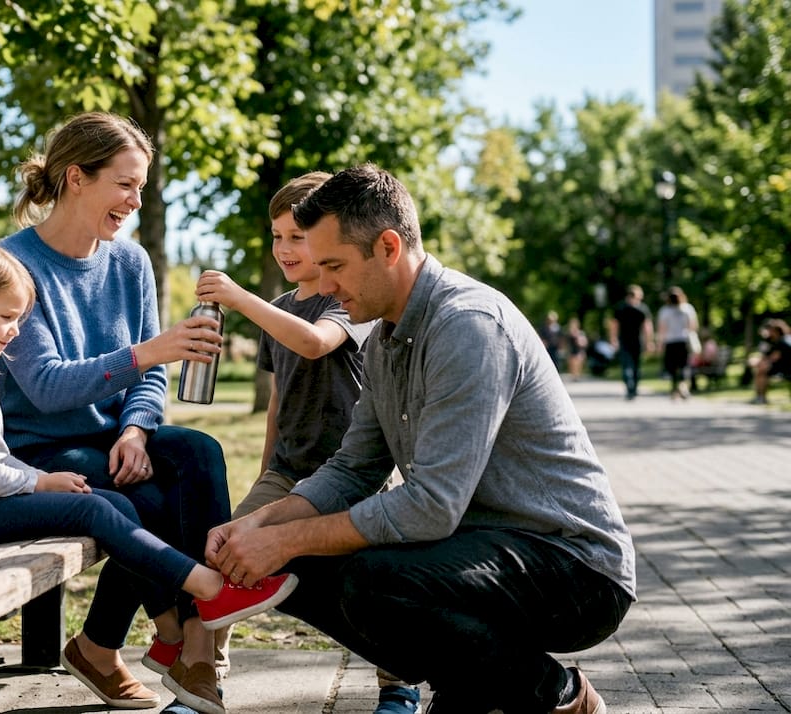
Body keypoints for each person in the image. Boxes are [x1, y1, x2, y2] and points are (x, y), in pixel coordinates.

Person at [205, 164, 636, 714]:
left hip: (573, 566)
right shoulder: (385, 337)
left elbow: (431, 507)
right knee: (300, 568)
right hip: (477, 552)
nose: (325, 285)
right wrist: (260, 524)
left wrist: (288, 539)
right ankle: (473, 680)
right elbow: (352, 468)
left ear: (388, 246)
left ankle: (557, 693)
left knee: (373, 581)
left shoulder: (468, 325)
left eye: (334, 265)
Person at [0, 238, 296, 714]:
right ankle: (206, 591)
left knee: (121, 504)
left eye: (19, 319)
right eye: (7, 318)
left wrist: (44, 476)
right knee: (94, 505)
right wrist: (40, 481)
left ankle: (174, 630)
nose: (14, 332)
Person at [0, 112, 241, 713]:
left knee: (198, 453)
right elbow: (48, 387)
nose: (134, 200)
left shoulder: (129, 264)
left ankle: (195, 644)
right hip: (39, 453)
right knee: (148, 501)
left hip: (111, 439)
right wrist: (147, 351)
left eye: (141, 187)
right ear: (76, 177)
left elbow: (150, 377)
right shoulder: (13, 266)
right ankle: (147, 645)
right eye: (124, 184)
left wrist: (135, 428)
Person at [194, 173, 420, 714]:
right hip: (288, 470)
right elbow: (277, 399)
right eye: (276, 237)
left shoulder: (352, 302)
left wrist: (239, 298)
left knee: (380, 580)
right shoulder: (277, 305)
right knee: (217, 559)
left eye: (297, 237)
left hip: (356, 474)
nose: (285, 249)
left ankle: (400, 683)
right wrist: (267, 469)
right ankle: (201, 675)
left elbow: (315, 344)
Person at [608, 284, 655, 400]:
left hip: (626, 340)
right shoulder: (642, 308)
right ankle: (633, 388)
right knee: (634, 365)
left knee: (628, 365)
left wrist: (613, 339)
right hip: (634, 340)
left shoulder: (620, 307)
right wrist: (649, 342)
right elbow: (647, 327)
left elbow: (614, 325)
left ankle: (630, 388)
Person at [656, 286, 699, 400]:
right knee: (684, 365)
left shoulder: (665, 311)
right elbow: (693, 326)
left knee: (672, 367)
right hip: (683, 340)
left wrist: (660, 344)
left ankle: (675, 389)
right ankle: (683, 386)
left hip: (670, 342)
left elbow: (662, 329)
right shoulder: (688, 309)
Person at [751, 318, 791, 405]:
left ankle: (761, 397)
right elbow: (765, 355)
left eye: (770, 330)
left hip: (785, 368)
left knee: (762, 371)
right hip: (779, 367)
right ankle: (760, 397)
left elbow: (773, 358)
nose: (768, 332)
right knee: (760, 371)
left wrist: (759, 362)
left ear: (775, 331)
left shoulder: (782, 342)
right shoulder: (772, 341)